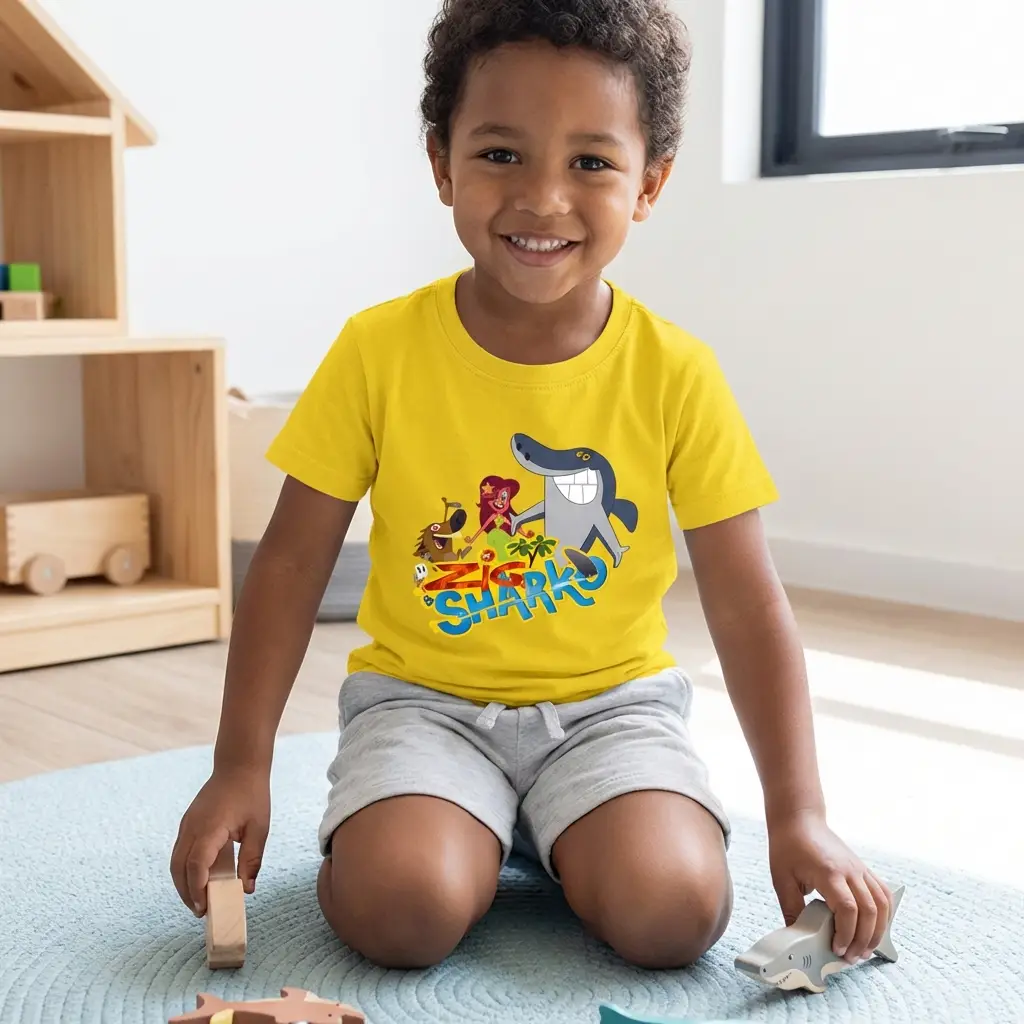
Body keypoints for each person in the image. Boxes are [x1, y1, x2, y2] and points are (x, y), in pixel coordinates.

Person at [171, 0, 893, 973]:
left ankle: (551, 833)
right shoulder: (377, 350)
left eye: (591, 162)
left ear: (649, 183)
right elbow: (293, 564)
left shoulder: (677, 372)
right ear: (442, 163)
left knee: (676, 914)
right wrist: (239, 765)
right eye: (501, 154)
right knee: (402, 911)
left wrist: (798, 812)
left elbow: (745, 599)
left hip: (613, 714)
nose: (544, 199)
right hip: (421, 705)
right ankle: (459, 833)